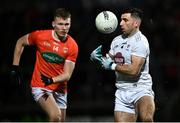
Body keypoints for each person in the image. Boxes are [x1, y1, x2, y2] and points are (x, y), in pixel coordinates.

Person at [11, 8, 78, 122]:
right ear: (53, 24)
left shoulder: (72, 46)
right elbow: (20, 42)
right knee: (55, 116)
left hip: (60, 88)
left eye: (67, 24)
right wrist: (15, 67)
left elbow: (67, 75)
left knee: (60, 121)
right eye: (60, 24)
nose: (64, 28)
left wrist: (51, 80)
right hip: (40, 86)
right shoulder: (40, 36)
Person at [90, 8, 155, 122]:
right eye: (121, 20)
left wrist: (112, 66)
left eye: (125, 20)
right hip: (122, 91)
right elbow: (107, 62)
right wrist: (98, 58)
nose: (120, 23)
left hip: (141, 89)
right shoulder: (116, 41)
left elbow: (134, 70)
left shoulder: (141, 42)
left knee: (147, 119)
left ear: (136, 23)